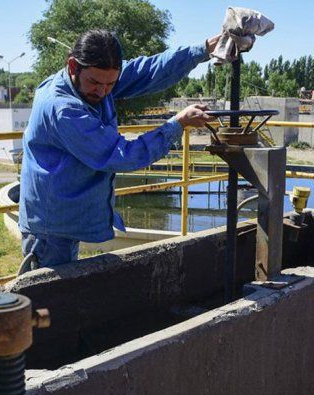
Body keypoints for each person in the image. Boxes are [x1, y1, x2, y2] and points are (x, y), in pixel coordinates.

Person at [18, 29, 220, 269]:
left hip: (66, 214)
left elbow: (148, 71)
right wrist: (178, 124)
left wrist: (204, 49)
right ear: (73, 66)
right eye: (95, 82)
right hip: (49, 228)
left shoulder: (93, 81)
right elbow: (123, 155)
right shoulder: (62, 109)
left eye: (111, 84)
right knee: (48, 289)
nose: (103, 92)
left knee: (64, 288)